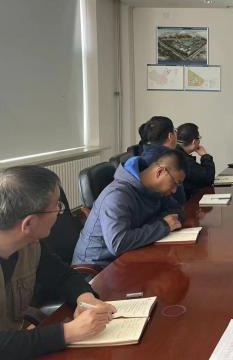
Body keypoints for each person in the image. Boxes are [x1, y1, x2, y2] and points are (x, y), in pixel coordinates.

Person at [0, 166, 115, 358]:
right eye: (57, 207)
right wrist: (69, 332)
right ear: (29, 223)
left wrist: (85, 298)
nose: (59, 212)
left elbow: (63, 276)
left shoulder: (30, 244)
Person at [72, 149, 186, 267]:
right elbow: (118, 243)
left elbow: (178, 211)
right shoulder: (117, 195)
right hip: (97, 267)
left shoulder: (156, 190)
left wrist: (161, 225)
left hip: (129, 256)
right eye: (175, 183)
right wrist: (163, 225)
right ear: (160, 172)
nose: (174, 190)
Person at [175, 123, 215, 198]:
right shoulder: (184, 159)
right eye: (199, 138)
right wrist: (205, 156)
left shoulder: (175, 153)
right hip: (187, 201)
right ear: (194, 142)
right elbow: (208, 178)